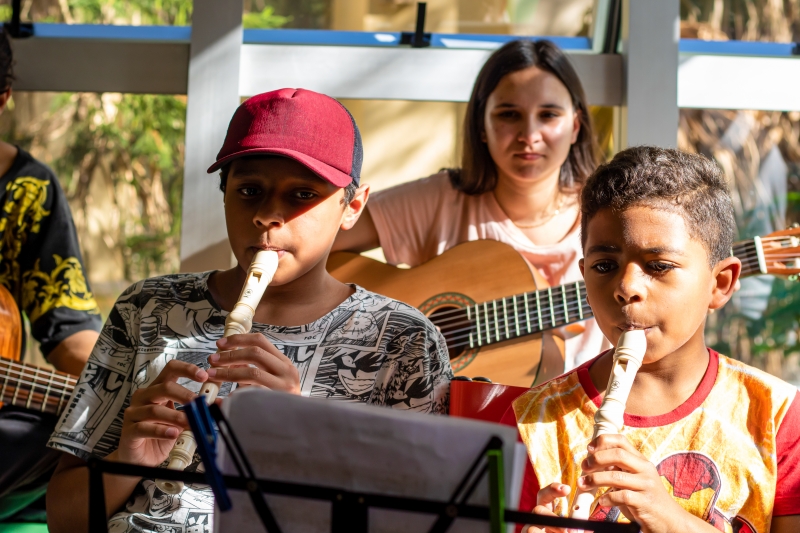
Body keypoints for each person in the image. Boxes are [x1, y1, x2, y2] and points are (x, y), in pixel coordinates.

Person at [45, 88, 453, 533]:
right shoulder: (147, 308)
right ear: (224, 195)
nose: (267, 216)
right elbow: (63, 521)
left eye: (301, 194)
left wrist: (302, 438)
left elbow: (422, 525)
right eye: (249, 190)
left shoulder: (403, 340)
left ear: (352, 206)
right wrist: (128, 458)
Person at [508, 147, 800, 532]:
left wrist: (666, 517)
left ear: (720, 283)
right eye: (604, 266)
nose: (626, 287)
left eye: (658, 266)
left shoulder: (778, 416)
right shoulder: (532, 422)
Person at [333, 39, 609, 373]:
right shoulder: (441, 199)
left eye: (548, 115)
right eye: (509, 114)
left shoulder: (611, 214)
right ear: (481, 125)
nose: (530, 134)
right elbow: (310, 242)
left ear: (576, 125)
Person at [0, 28, 101, 520]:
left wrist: (126, 377)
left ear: (2, 98)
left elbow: (67, 329)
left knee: (78, 435)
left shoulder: (28, 189)